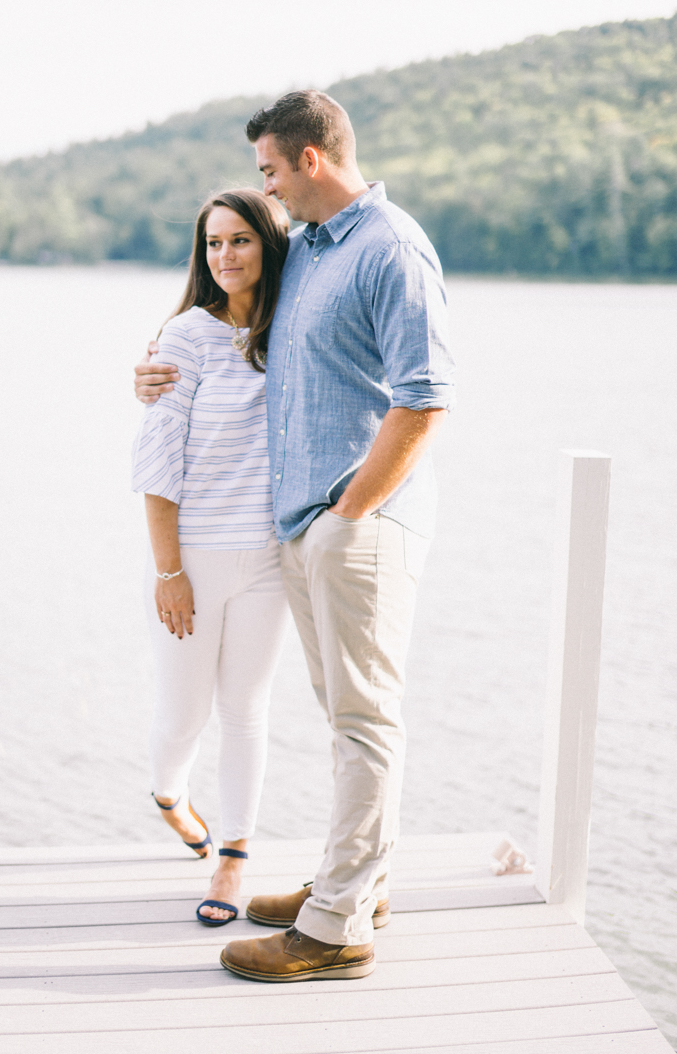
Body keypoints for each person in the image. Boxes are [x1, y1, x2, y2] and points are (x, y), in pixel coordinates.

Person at [134, 90, 456, 981]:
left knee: (363, 724)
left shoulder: (390, 248)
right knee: (345, 720)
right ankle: (356, 883)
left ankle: (336, 929)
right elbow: (236, 350)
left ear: (310, 161)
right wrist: (157, 374)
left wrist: (346, 518)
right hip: (305, 529)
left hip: (359, 527)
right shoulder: (313, 248)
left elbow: (424, 399)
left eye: (272, 171)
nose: (265, 191)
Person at [132, 187, 291, 926]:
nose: (225, 257)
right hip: (190, 558)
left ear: (269, 244)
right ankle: (168, 791)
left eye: (241, 241)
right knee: (182, 718)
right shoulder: (184, 338)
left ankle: (232, 858)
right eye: (213, 244)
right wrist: (170, 572)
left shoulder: (292, 330)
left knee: (246, 712)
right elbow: (158, 465)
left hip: (266, 559)